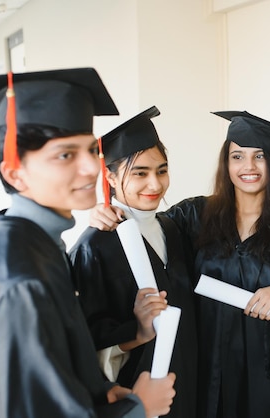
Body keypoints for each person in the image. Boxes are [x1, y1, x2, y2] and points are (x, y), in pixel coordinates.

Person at [0, 68, 175, 418]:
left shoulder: (38, 245)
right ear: (14, 172)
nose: (90, 167)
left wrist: (99, 391)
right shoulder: (21, 276)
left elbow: (52, 368)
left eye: (90, 149)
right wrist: (138, 407)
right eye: (65, 155)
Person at [91, 111, 270, 418]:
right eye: (237, 156)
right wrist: (106, 211)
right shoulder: (194, 216)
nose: (248, 167)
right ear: (226, 163)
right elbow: (146, 228)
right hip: (205, 370)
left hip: (266, 378)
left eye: (259, 156)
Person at [69, 106, 197, 417]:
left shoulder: (172, 227)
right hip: (135, 390)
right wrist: (135, 330)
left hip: (187, 381)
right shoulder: (95, 245)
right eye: (140, 173)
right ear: (110, 176)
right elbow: (86, 338)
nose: (155, 185)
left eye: (161, 171)